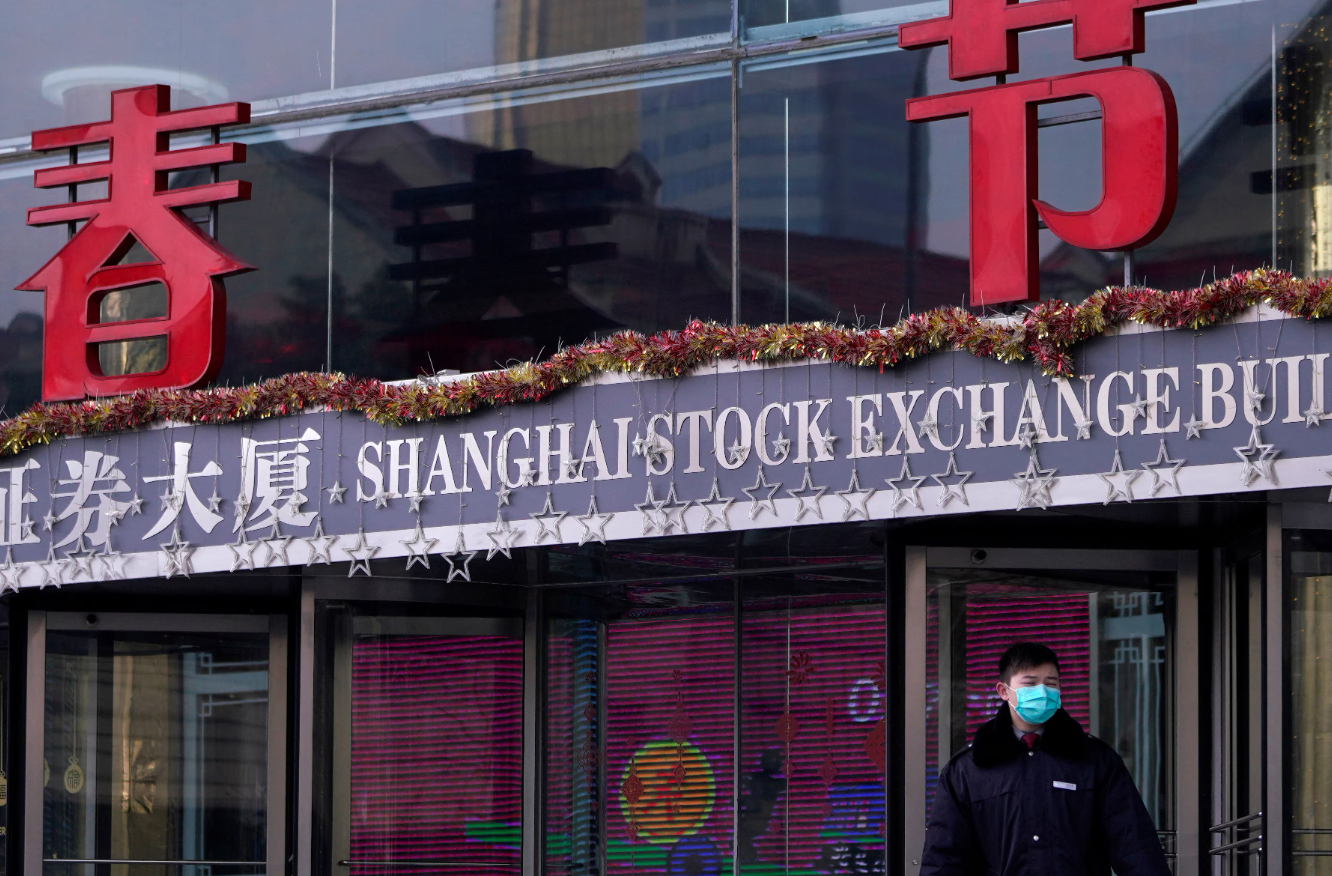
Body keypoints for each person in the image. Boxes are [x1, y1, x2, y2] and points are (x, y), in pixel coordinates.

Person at [920, 642, 1169, 876]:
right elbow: (944, 857)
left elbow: (1134, 845)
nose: (1043, 691)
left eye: (1051, 684)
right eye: (1030, 683)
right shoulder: (969, 768)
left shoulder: (1095, 760)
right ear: (1003, 691)